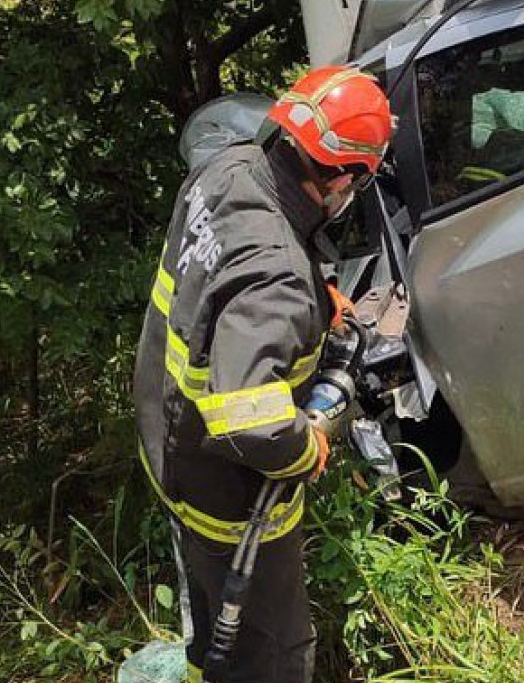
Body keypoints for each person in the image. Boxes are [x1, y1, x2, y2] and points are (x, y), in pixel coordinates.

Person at [133, 66, 394, 683]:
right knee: (274, 650)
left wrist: (314, 291)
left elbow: (227, 272)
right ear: (343, 175)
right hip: (225, 488)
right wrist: (307, 447)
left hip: (164, 437)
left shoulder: (226, 170)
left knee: (207, 623)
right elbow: (251, 422)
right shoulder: (278, 280)